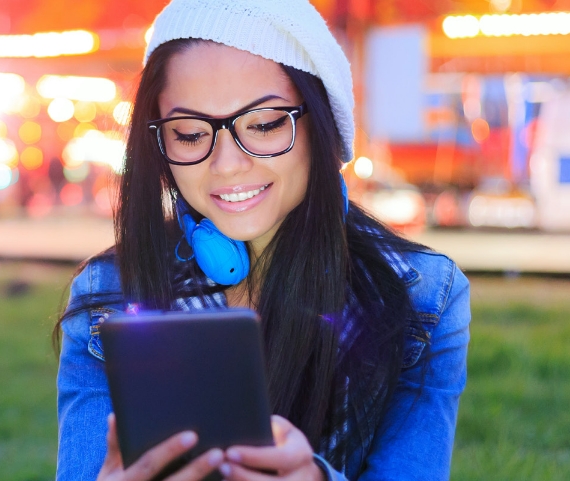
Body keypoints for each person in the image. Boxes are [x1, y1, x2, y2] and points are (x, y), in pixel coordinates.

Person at [55, 0, 470, 480]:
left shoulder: (423, 296)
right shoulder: (108, 294)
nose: (227, 164)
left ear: (325, 126)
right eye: (189, 134)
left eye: (266, 125)